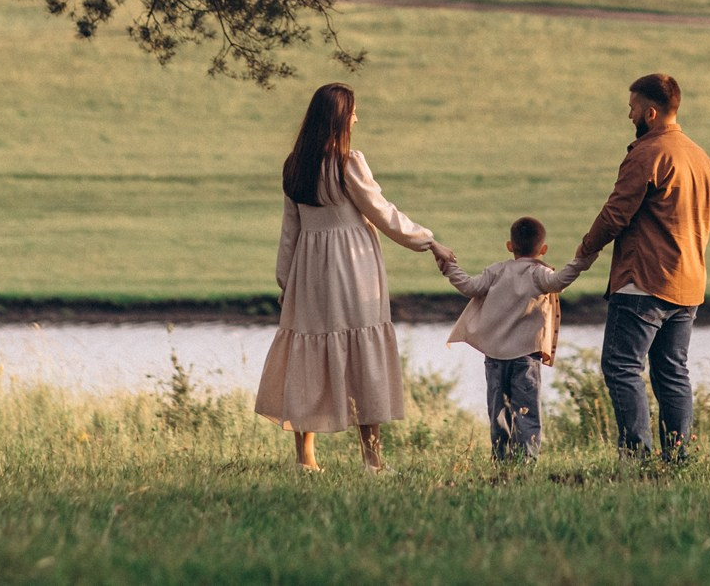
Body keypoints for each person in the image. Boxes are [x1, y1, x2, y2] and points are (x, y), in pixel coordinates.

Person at [254, 82, 453, 472]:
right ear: (340, 117)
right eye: (354, 111)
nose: (357, 117)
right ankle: (372, 459)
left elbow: (289, 230)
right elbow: (382, 212)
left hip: (309, 271)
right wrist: (429, 242)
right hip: (352, 266)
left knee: (307, 354)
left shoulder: (295, 164)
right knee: (363, 355)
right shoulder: (348, 162)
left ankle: (305, 457)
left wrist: (285, 282)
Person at [576, 72, 710, 461]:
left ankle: (636, 457)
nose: (629, 115)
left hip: (644, 280)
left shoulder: (648, 153)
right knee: (672, 372)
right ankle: (677, 458)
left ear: (650, 113)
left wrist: (585, 252)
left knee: (621, 366)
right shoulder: (701, 157)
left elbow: (616, 213)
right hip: (688, 280)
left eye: (633, 107)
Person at [437, 215, 593, 461]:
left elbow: (468, 286)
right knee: (526, 411)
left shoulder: (496, 271)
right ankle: (526, 461)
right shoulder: (539, 274)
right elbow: (560, 281)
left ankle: (501, 459)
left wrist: (449, 267)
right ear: (543, 249)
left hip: (495, 358)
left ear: (510, 246)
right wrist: (583, 260)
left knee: (498, 412)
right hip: (525, 358)